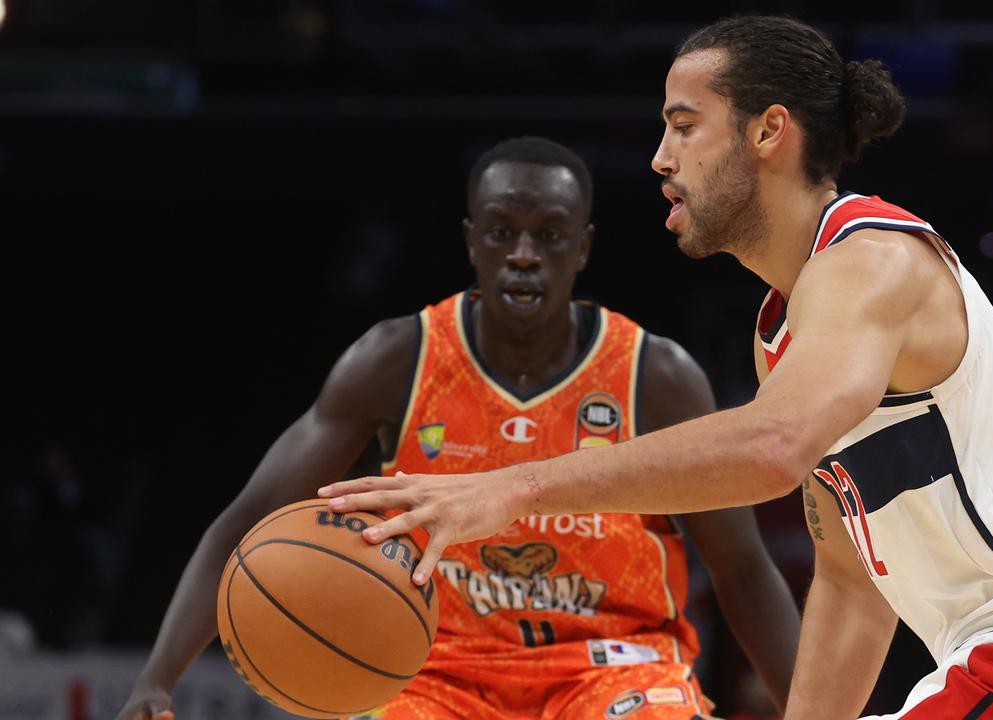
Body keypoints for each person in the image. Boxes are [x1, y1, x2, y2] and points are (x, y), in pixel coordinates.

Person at [322, 17, 993, 720]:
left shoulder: (870, 260)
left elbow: (773, 445)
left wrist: (508, 490)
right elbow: (852, 584)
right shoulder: (785, 330)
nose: (661, 160)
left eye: (683, 126)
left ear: (768, 132)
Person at [117, 136, 801, 720]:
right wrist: (156, 678)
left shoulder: (656, 376)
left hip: (614, 667)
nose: (525, 253)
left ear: (583, 247)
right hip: (439, 669)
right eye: (503, 231)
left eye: (550, 234)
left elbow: (741, 566)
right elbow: (246, 525)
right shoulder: (397, 360)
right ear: (473, 241)